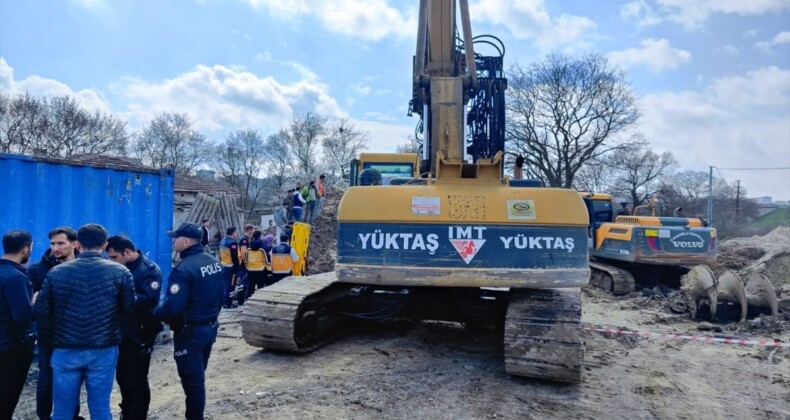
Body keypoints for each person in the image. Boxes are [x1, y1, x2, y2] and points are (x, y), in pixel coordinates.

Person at [34, 223, 135, 420]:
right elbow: (129, 309)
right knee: (100, 408)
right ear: (105, 245)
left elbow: (41, 310)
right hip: (103, 348)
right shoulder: (121, 272)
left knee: (62, 410)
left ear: (78, 244)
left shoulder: (56, 273)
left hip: (65, 349)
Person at [154, 222, 224, 420]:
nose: (173, 241)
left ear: (186, 242)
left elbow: (172, 308)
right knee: (198, 376)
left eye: (175, 238)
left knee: (193, 383)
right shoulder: (213, 262)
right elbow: (221, 297)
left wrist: (153, 314)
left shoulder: (183, 270)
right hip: (208, 328)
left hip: (190, 332)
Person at [27, 226, 82, 420]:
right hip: (48, 332)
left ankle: (73, 415)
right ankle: (44, 415)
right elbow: (30, 305)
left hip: (76, 332)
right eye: (52, 243)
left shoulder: (84, 267)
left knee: (74, 377)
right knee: (46, 376)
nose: (55, 248)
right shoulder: (37, 270)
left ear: (74, 244)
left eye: (60, 243)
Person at [106, 235, 163, 420]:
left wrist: (119, 299)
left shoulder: (148, 271)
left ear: (127, 252)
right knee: (123, 376)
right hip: (122, 332)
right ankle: (127, 409)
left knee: (137, 377)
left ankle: (138, 414)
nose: (111, 261)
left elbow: (148, 300)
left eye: (114, 257)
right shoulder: (119, 268)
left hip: (140, 332)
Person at [0, 229, 35, 419]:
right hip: (10, 349)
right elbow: (22, 316)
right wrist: (36, 303)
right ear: (26, 249)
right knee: (6, 399)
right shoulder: (15, 277)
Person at [219, 227, 240, 308]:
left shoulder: (222, 241)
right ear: (233, 233)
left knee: (224, 285)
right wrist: (237, 268)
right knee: (231, 285)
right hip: (231, 267)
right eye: (236, 232)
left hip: (223, 265)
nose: (236, 234)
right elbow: (235, 257)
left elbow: (220, 255)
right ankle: (229, 303)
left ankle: (223, 301)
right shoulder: (232, 243)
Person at [244, 231, 267, 295]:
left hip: (250, 269)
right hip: (260, 269)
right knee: (260, 286)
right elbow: (266, 259)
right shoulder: (263, 246)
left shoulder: (249, 247)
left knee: (251, 285)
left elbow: (246, 259)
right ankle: (259, 298)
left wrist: (247, 267)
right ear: (260, 236)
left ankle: (250, 298)